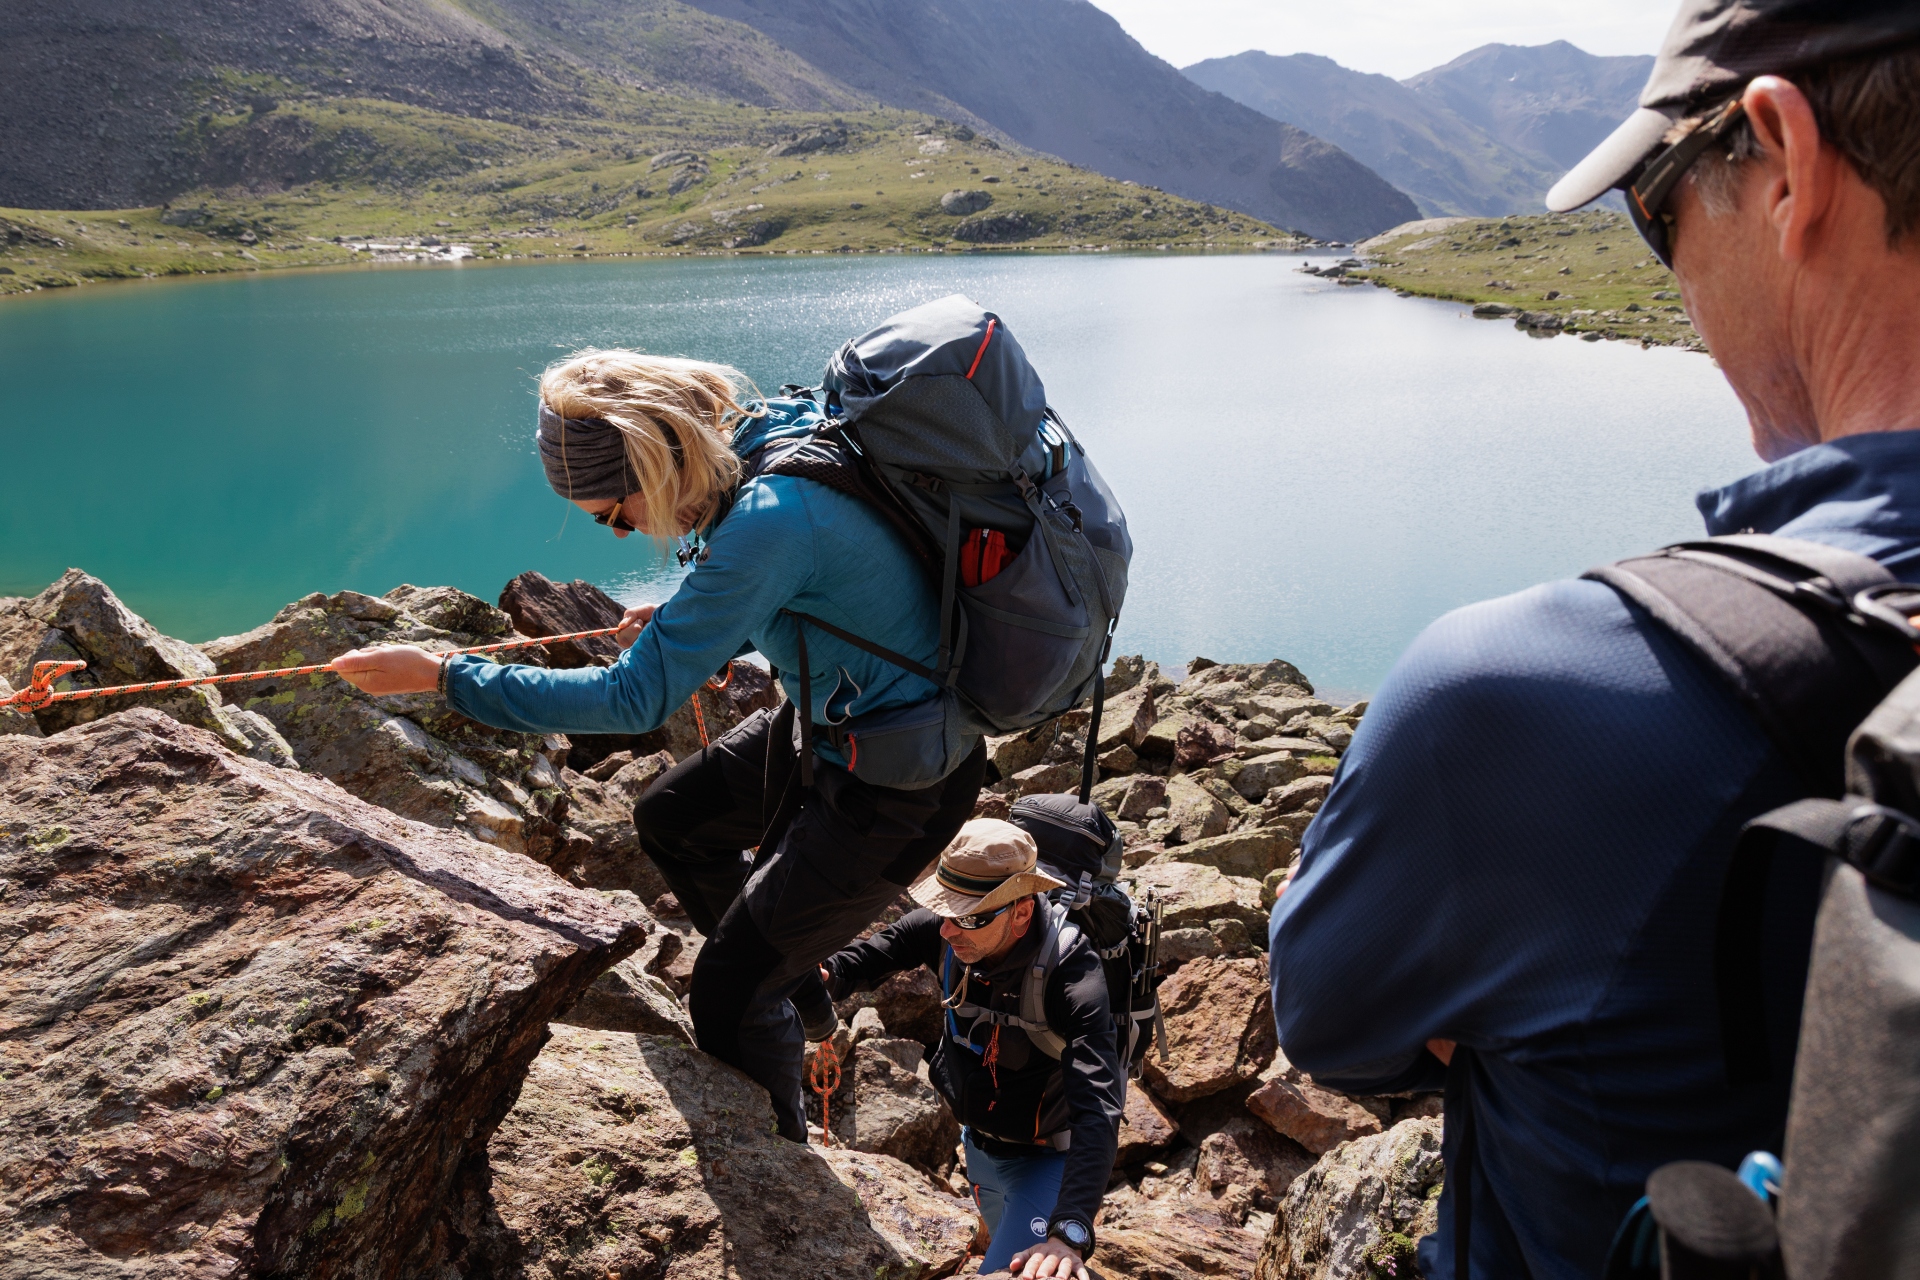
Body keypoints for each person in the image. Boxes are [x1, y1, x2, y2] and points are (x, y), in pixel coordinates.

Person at [1266, 2, 1920, 1277]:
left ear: (1782, 163)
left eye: (1658, 204)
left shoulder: (1520, 696)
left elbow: (1328, 1019)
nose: (1668, 263)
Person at [331, 348, 987, 1142]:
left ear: (655, 457)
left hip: (900, 782)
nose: (620, 532)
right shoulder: (764, 440)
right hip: (838, 723)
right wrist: (697, 619)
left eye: (614, 511)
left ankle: (777, 1158)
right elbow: (835, 580)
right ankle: (800, 979)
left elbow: (630, 697)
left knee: (727, 994)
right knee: (674, 818)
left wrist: (442, 677)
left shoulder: (770, 519)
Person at [819, 819, 1122, 1280]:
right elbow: (864, 959)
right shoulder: (949, 929)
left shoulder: (1073, 977)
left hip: (1047, 1161)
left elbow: (1097, 1108)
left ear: (1021, 912)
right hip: (978, 1152)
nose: (947, 930)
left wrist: (1070, 1230)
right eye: (943, 910)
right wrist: (817, 976)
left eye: (969, 916)